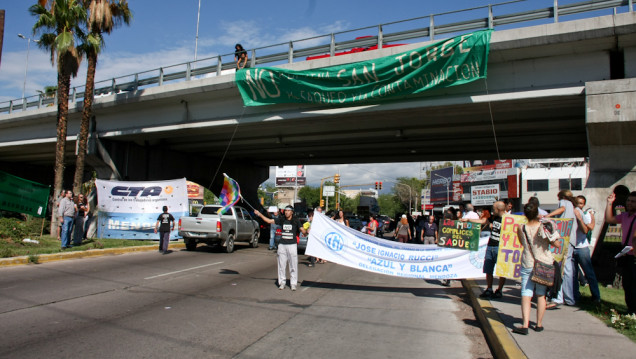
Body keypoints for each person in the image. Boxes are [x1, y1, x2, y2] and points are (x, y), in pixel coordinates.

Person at [513, 202, 562, 334]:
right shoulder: (544, 227)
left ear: (525, 214)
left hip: (528, 262)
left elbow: (521, 242)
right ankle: (539, 324)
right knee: (541, 295)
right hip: (544, 262)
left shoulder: (521, 228)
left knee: (526, 293)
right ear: (537, 213)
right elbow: (557, 244)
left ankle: (524, 325)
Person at [255, 205, 307, 291]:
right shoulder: (282, 219)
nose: (286, 212)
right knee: (281, 265)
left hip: (292, 245)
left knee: (293, 265)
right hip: (282, 245)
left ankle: (293, 283)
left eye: (288, 211)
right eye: (285, 210)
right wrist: (259, 214)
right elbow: (268, 220)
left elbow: (302, 230)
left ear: (292, 212)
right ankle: (282, 282)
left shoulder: (296, 220)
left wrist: (306, 231)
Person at [544, 189, 579, 308]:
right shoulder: (574, 206)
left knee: (559, 268)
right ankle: (570, 298)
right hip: (572, 239)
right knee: (568, 269)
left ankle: (558, 297)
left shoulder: (564, 202)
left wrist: (548, 215)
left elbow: (562, 209)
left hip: (563, 239)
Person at [465, 201, 507, 298]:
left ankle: (499, 290)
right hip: (490, 246)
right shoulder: (492, 218)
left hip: (501, 248)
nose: (492, 210)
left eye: (494, 208)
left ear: (499, 209)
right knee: (488, 269)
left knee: (502, 271)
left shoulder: (508, 219)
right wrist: (468, 220)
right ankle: (489, 289)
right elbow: (483, 221)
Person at [605, 191, 636, 314]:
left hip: (634, 254)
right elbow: (609, 219)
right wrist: (609, 204)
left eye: (633, 201)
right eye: (628, 201)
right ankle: (630, 309)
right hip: (626, 253)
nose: (629, 203)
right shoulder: (624, 216)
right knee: (627, 284)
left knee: (634, 284)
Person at [572, 195, 601, 304]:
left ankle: (596, 296)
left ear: (583, 205)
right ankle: (575, 295)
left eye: (581, 203)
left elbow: (587, 229)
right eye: (577, 203)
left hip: (582, 248)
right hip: (572, 247)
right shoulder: (571, 213)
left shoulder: (585, 215)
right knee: (573, 274)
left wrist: (581, 218)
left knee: (589, 272)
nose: (578, 205)